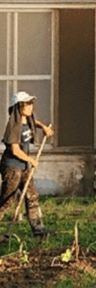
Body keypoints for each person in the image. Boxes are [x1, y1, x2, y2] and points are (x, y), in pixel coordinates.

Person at [0, 92, 54, 238]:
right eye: (27, 104)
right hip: (12, 167)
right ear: (18, 107)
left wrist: (43, 127)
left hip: (24, 167)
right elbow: (15, 150)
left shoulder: (27, 121)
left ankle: (38, 229)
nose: (31, 106)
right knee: (7, 199)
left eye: (31, 103)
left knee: (32, 196)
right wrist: (31, 160)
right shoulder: (13, 127)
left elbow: (33, 122)